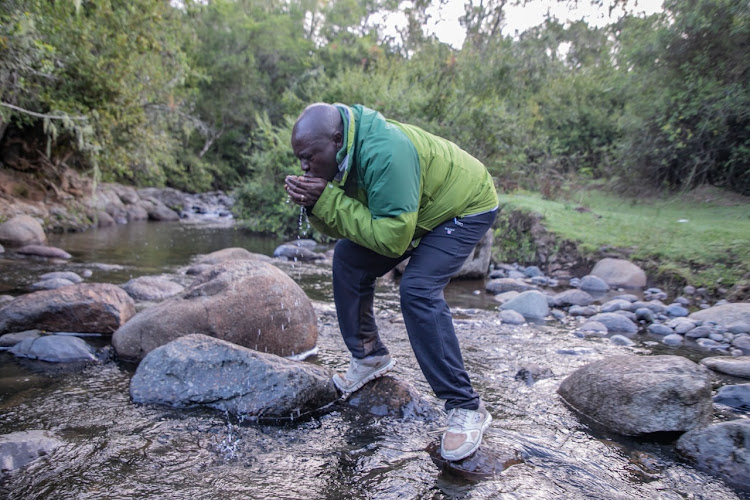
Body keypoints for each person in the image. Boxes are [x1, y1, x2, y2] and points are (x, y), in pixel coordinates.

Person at [284, 103, 498, 461]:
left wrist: (327, 199)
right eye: (299, 159)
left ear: (336, 140)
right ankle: (369, 358)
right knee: (348, 259)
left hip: (466, 204)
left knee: (417, 289)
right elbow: (349, 225)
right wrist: (316, 203)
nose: (304, 166)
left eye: (308, 157)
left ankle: (466, 407)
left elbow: (394, 239)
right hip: (418, 208)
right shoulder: (344, 152)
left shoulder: (385, 152)